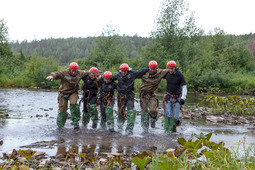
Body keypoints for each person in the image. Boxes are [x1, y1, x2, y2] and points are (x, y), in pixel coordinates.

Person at [46, 62, 89, 129]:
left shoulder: (80, 73)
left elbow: (88, 72)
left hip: (73, 93)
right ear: (70, 69)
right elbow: (56, 74)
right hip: (63, 93)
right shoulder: (64, 73)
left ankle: (76, 122)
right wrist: (51, 76)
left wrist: (96, 74)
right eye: (72, 70)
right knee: (62, 110)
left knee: (74, 104)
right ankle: (60, 125)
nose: (74, 72)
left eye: (75, 71)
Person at [113, 63, 149, 135]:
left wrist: (149, 67)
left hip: (130, 95)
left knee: (131, 112)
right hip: (121, 95)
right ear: (120, 71)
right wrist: (117, 86)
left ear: (127, 70)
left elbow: (140, 71)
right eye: (122, 71)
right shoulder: (118, 75)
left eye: (125, 71)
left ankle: (129, 130)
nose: (123, 73)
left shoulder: (132, 74)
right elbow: (109, 79)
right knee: (121, 111)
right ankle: (119, 127)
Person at [139, 61, 169, 133]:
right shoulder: (144, 72)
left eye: (154, 69)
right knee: (144, 111)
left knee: (153, 110)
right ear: (149, 68)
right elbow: (134, 74)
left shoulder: (160, 72)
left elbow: (171, 70)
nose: (152, 70)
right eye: (151, 68)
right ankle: (145, 129)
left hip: (152, 94)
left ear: (156, 68)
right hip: (143, 94)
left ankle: (153, 119)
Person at [163, 60, 187, 133]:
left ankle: (174, 130)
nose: (170, 70)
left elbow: (184, 87)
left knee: (176, 117)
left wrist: (183, 98)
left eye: (172, 68)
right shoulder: (166, 74)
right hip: (168, 97)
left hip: (176, 98)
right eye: (169, 68)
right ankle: (167, 131)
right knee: (168, 114)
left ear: (175, 68)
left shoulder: (180, 75)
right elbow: (156, 73)